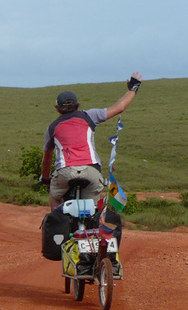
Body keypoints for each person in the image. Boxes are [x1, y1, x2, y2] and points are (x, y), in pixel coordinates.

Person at [40, 72, 142, 209]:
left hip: (65, 172)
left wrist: (46, 179)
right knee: (93, 210)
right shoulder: (89, 116)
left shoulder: (52, 127)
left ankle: (58, 223)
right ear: (77, 105)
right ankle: (93, 226)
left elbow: (47, 160)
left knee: (55, 196)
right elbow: (119, 108)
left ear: (58, 109)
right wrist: (133, 89)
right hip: (91, 170)